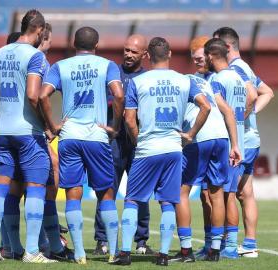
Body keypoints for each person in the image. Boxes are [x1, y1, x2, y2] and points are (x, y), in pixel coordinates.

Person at [112, 37, 211, 266]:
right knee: (168, 201)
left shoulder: (139, 81)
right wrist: (190, 134)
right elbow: (205, 106)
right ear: (170, 54)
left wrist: (138, 141)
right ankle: (164, 255)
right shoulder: (184, 80)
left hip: (147, 148)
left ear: (147, 56)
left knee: (132, 201)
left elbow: (128, 119)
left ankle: (125, 253)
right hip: (173, 149)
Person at [39, 26, 125, 264]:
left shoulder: (60, 66)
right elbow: (118, 95)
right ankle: (113, 251)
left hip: (69, 137)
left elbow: (43, 94)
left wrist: (53, 125)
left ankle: (78, 252)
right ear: (96, 45)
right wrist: (115, 126)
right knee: (106, 194)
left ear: (74, 44)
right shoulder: (107, 65)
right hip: (96, 136)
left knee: (73, 195)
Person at [0, 9, 57, 263]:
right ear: (40, 30)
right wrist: (48, 125)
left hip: (2, 133)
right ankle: (32, 251)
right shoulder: (36, 57)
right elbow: (34, 95)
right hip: (28, 133)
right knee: (35, 188)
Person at [170, 36, 241, 263]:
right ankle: (215, 250)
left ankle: (186, 250)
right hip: (221, 138)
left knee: (181, 191)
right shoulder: (207, 84)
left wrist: (187, 134)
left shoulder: (183, 81)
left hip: (200, 138)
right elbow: (228, 111)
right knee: (216, 192)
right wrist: (235, 144)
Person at [213, 27, 274, 258]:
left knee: (228, 191)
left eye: (215, 46)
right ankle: (249, 244)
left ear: (226, 47)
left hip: (242, 140)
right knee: (245, 192)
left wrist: (240, 117)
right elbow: (267, 92)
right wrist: (250, 114)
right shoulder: (244, 67)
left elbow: (253, 95)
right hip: (252, 139)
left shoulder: (235, 69)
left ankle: (228, 245)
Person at [93, 34, 154, 255]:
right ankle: (102, 240)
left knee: (140, 192)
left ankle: (141, 241)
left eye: (133, 51)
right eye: (126, 49)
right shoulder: (111, 73)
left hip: (139, 142)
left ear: (145, 55)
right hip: (114, 141)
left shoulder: (148, 78)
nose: (128, 54)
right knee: (107, 190)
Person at [204, 37, 248, 259]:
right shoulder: (238, 77)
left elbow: (224, 110)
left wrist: (233, 144)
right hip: (239, 140)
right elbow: (250, 98)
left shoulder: (217, 80)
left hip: (227, 145)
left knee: (222, 196)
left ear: (211, 56)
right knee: (230, 195)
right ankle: (229, 244)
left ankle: (225, 246)